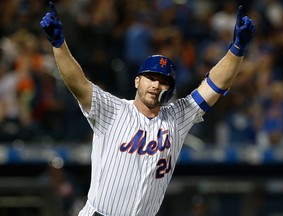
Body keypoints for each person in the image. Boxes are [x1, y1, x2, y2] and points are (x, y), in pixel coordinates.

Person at [40, 2, 255, 216]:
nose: (155, 85)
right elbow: (78, 83)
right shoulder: (113, 110)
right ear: (136, 81)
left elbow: (214, 85)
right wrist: (59, 45)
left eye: (163, 81)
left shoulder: (177, 117)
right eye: (150, 78)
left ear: (170, 89)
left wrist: (237, 49)